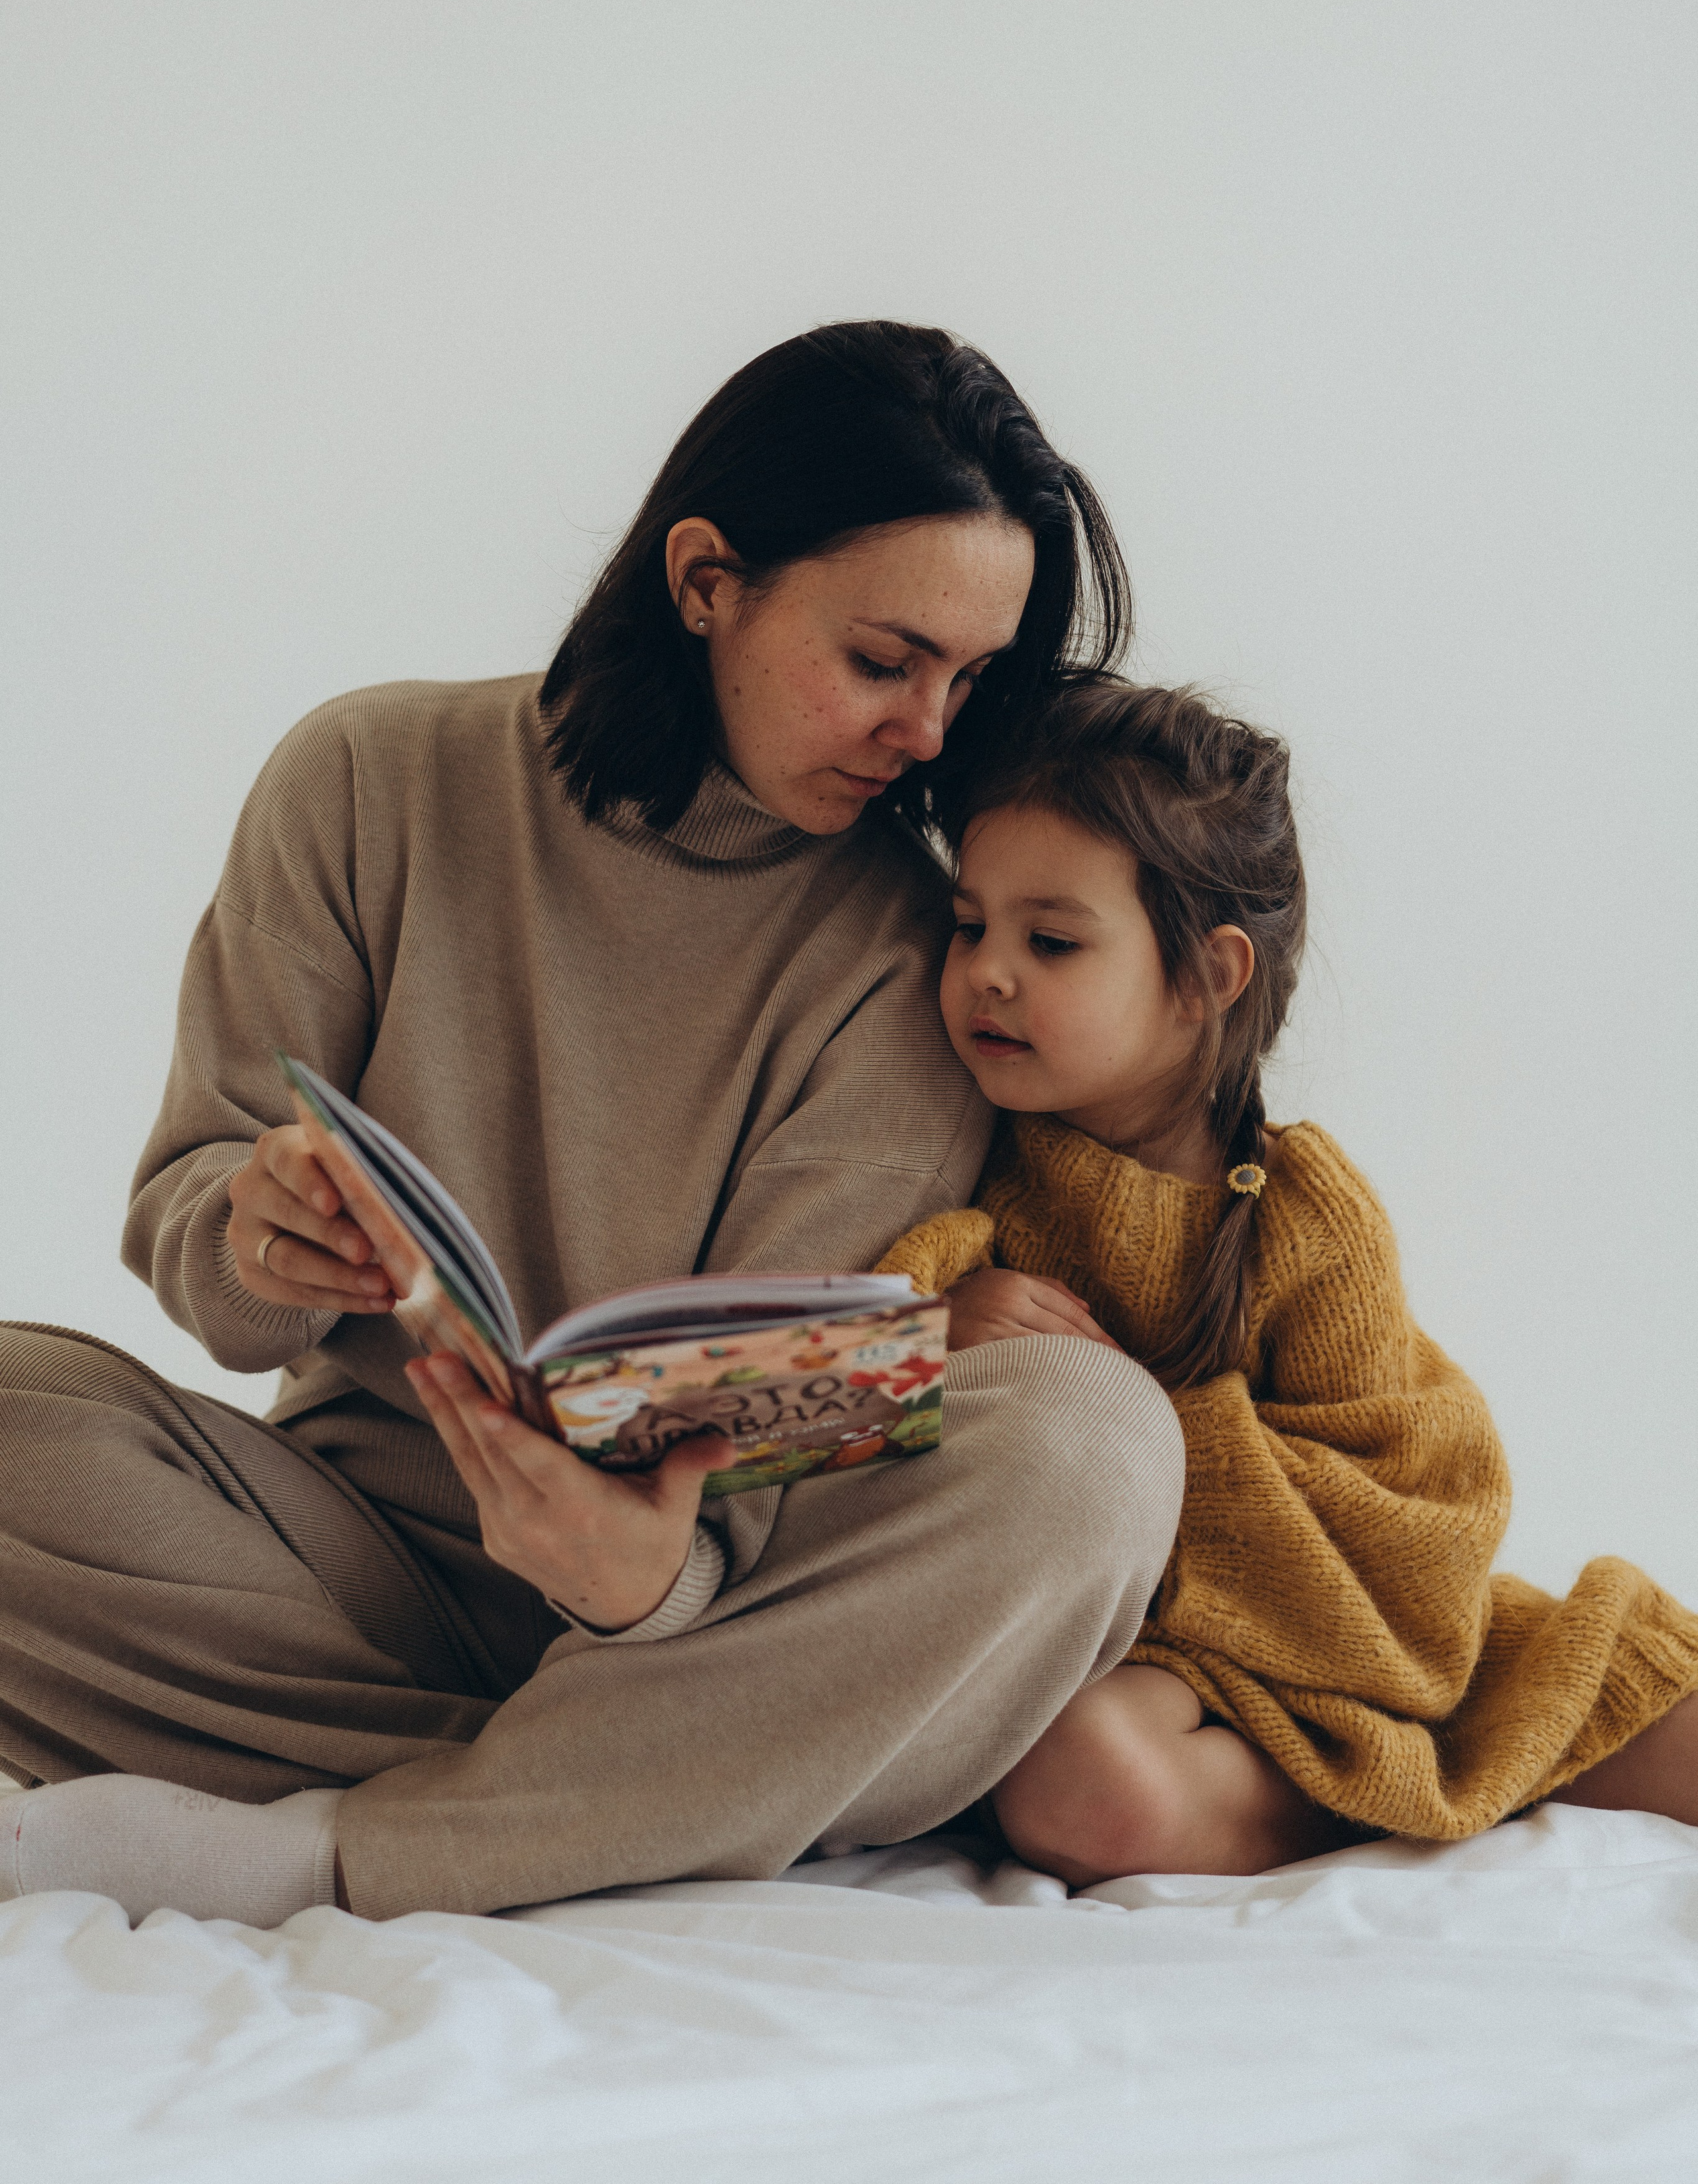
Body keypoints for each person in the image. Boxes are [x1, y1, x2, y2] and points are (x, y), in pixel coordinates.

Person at [0, 323, 1185, 1927]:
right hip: (347, 1564)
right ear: (705, 580)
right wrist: (254, 1234)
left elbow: (763, 1458)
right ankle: (655, 1795)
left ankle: (343, 1843)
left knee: (1095, 1445)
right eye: (882, 661)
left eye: (967, 681)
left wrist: (640, 1583)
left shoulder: (913, 954)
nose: (926, 732)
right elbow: (200, 1232)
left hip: (695, 1594)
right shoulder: (367, 780)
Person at [881, 676, 1698, 1882]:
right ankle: (1366, 1795)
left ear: (1209, 976)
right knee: (1081, 1787)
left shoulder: (1302, 1216)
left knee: (1648, 1704)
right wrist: (937, 1333)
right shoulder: (962, 1154)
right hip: (1139, 1668)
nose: (989, 971)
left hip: (1344, 1643)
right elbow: (846, 1389)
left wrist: (1142, 1435)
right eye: (968, 926)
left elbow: (1410, 1543)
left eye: (1051, 941)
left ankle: (1422, 1783)